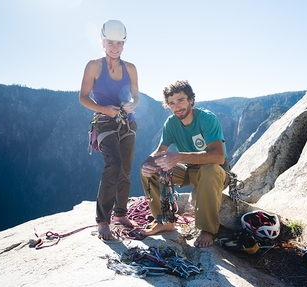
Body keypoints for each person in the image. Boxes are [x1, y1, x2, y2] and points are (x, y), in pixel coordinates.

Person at [140, 80, 230, 248]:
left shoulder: (206, 119)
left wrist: (179, 156)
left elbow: (219, 157)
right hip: (190, 170)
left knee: (210, 169)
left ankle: (207, 230)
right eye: (171, 103)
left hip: (216, 172)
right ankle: (165, 220)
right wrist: (147, 162)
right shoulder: (171, 124)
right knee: (151, 169)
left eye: (181, 100)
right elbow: (159, 152)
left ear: (191, 100)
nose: (177, 106)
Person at [79, 19, 139, 242]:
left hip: (127, 122)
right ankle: (103, 220)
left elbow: (137, 96)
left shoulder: (130, 68)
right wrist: (105, 108)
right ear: (102, 42)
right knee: (114, 164)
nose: (115, 47)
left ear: (124, 44)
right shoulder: (94, 66)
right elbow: (83, 98)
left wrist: (133, 104)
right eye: (110, 42)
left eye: (119, 43)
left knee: (125, 169)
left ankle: (120, 214)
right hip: (104, 122)